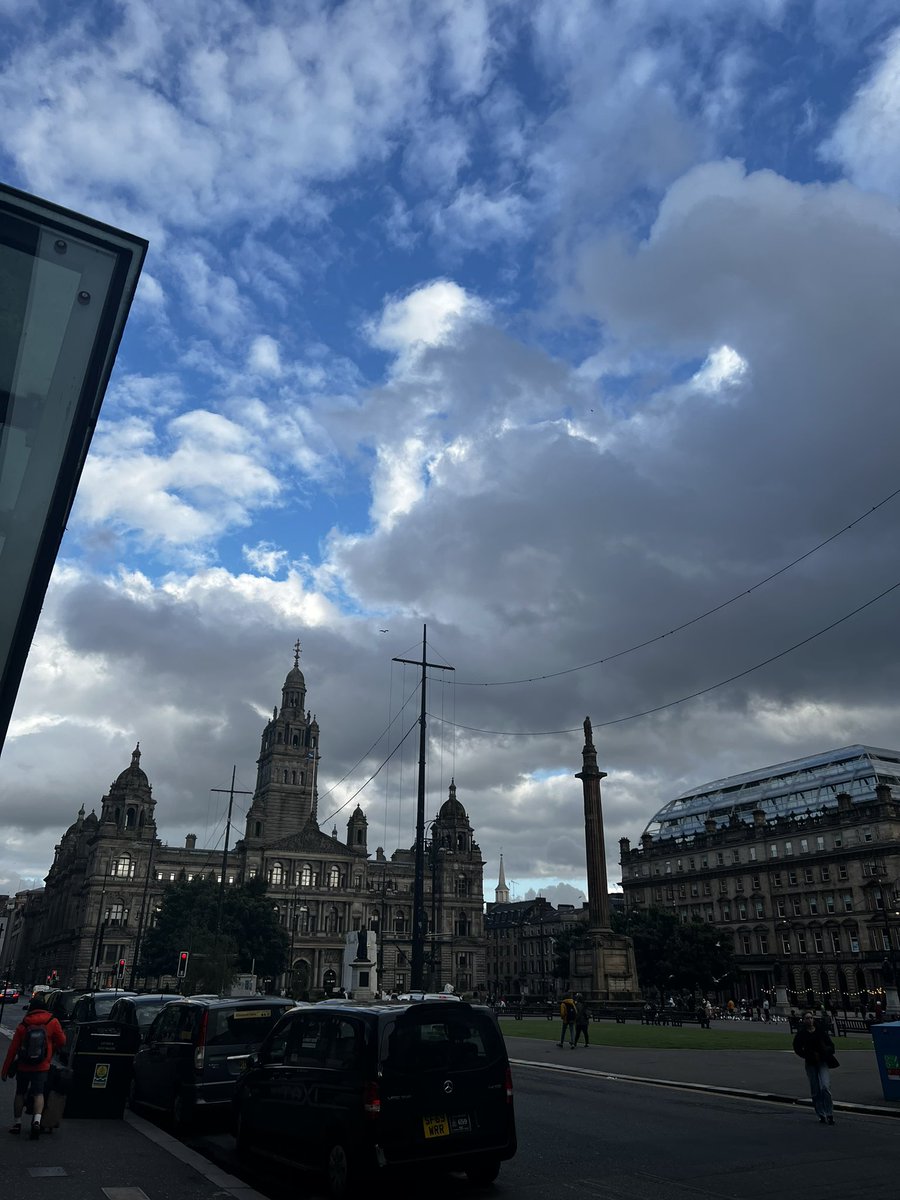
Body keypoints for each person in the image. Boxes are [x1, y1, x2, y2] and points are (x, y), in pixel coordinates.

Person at [1, 996, 66, 1138]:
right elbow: (62, 1041)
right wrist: (50, 1049)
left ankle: (17, 1123)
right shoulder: (52, 1021)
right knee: (39, 1093)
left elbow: (13, 1049)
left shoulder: (24, 1024)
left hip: (24, 1065)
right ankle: (37, 1121)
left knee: (20, 1093)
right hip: (42, 1065)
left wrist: (5, 1070)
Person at [793, 1010, 836, 1125]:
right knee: (815, 1090)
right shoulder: (802, 1034)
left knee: (825, 1087)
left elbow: (831, 1045)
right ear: (803, 1020)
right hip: (811, 1063)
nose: (810, 1020)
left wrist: (825, 1051)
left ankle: (829, 1113)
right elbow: (797, 1048)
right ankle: (821, 1114)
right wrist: (807, 1055)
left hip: (822, 1062)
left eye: (811, 1017)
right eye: (807, 1018)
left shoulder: (820, 1031)